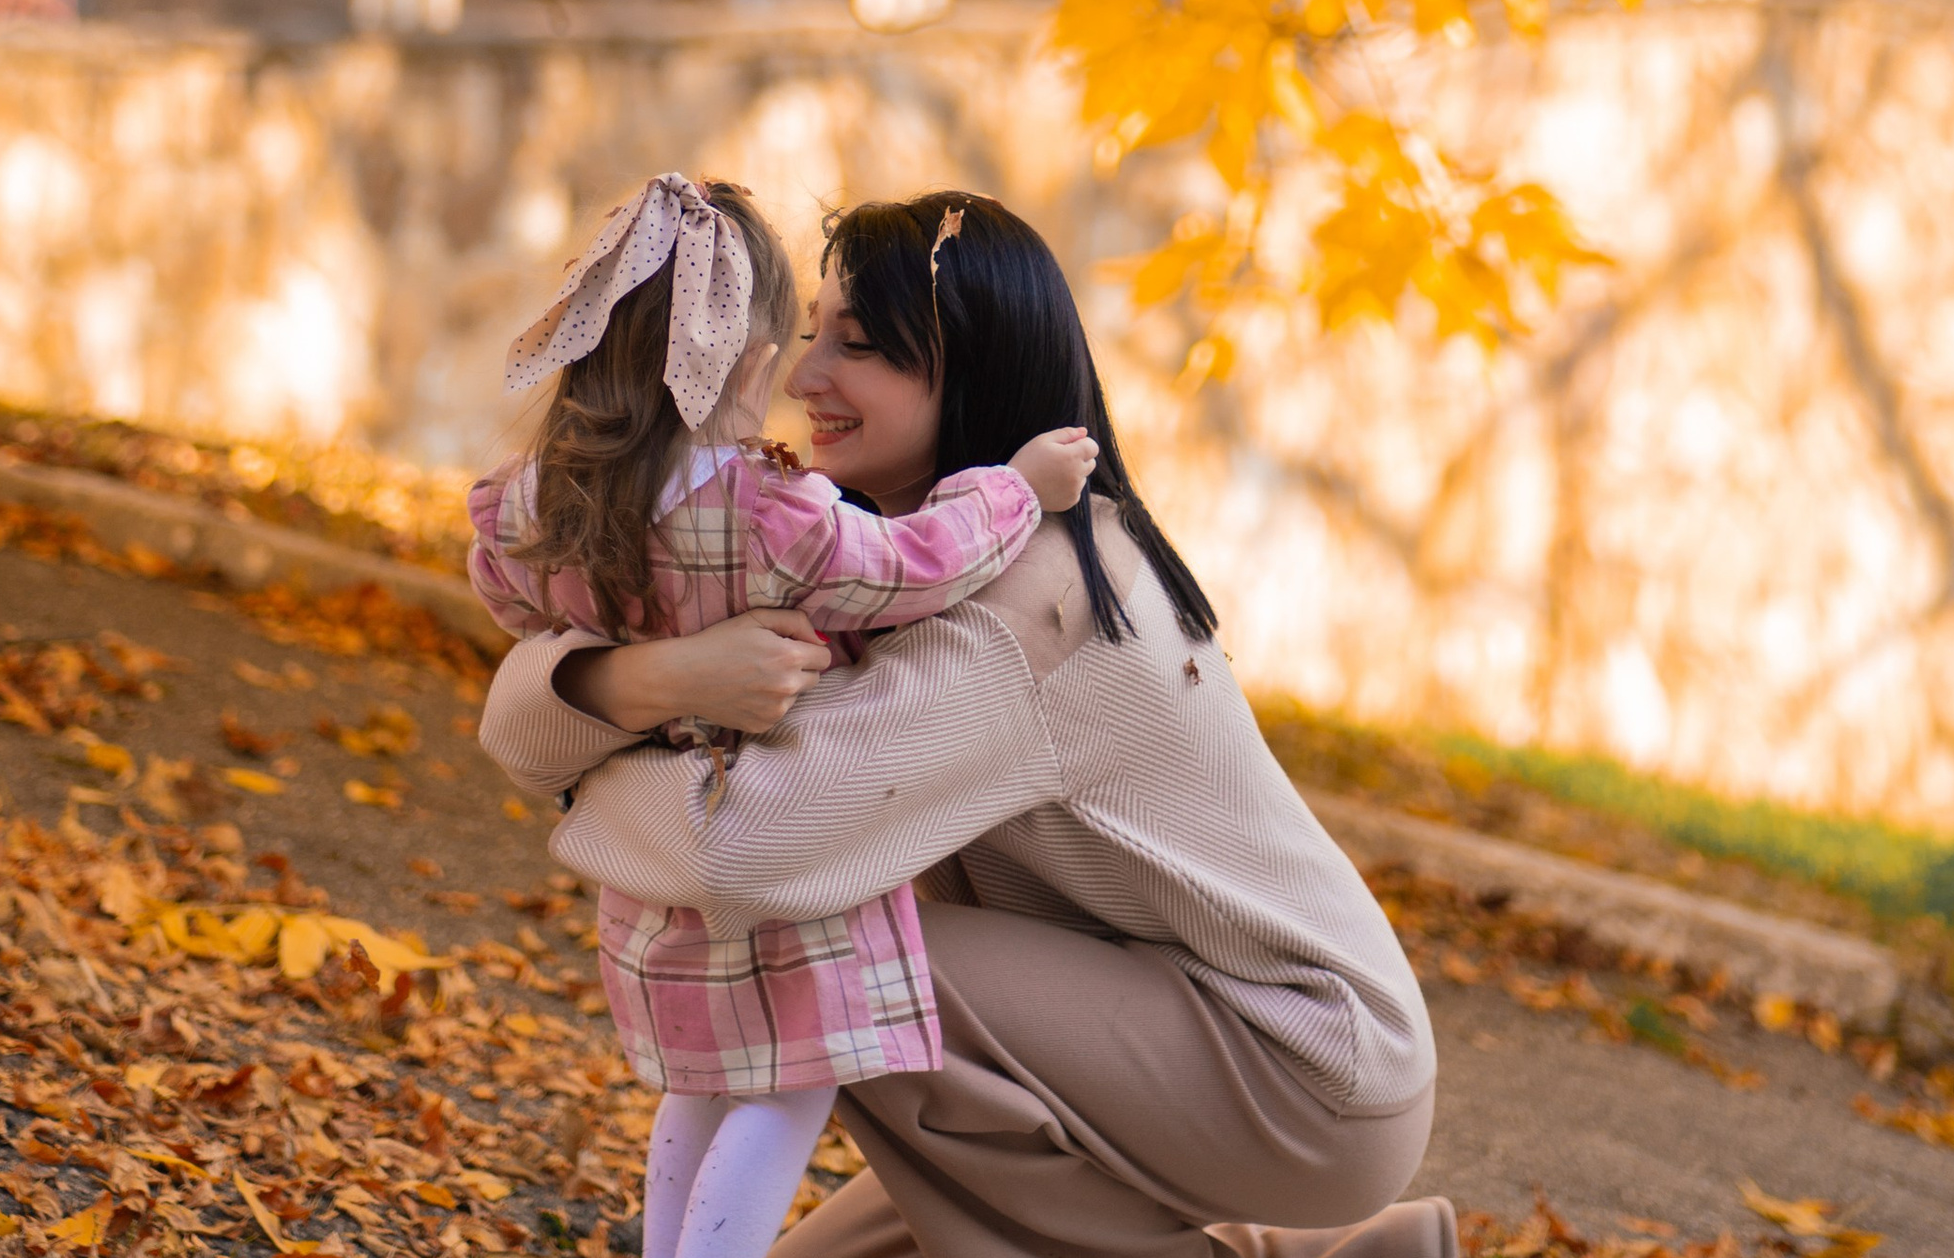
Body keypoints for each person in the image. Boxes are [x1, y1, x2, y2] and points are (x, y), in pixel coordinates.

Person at [481, 191, 1457, 1258]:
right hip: (1154, 1019)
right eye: (810, 333)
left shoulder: (1023, 600)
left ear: (971, 371)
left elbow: (739, 855)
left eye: (857, 346)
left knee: (826, 956)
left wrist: (594, 761)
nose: (803, 377)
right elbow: (525, 726)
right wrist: (647, 679)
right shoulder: (874, 558)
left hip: (1298, 1066)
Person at [469, 176, 1102, 1258]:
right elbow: (914, 564)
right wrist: (1016, 487)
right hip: (787, 859)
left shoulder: (534, 502)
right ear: (753, 360)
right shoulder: (777, 515)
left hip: (654, 859)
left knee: (700, 1085)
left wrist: (628, 642)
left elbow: (514, 603)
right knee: (787, 1092)